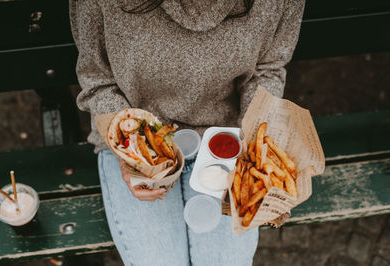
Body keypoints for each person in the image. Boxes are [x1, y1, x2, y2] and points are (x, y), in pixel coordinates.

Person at [69, 0, 304, 265]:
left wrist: (257, 148)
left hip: (227, 140)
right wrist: (132, 152)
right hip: (137, 140)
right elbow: (98, 81)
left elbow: (267, 69)